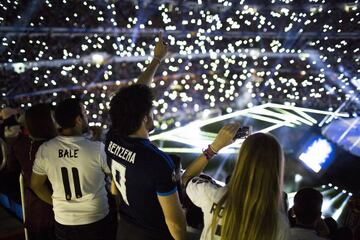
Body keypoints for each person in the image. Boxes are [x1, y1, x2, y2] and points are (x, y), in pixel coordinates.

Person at [106, 32, 187, 240]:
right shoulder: (157, 162)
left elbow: (136, 93)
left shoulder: (112, 139)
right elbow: (174, 223)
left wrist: (156, 59)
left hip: (125, 229)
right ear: (144, 118)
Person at [30, 98, 113, 240]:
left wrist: (56, 202)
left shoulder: (45, 149)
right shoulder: (96, 148)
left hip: (64, 221)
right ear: (78, 120)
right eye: (85, 114)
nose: (86, 117)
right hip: (95, 218)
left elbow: (36, 185)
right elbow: (113, 175)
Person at [184, 131, 289, 240]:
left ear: (242, 160)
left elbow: (187, 177)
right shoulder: (278, 226)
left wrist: (214, 147)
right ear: (277, 168)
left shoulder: (212, 195)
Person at [11, 103, 57, 240]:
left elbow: (11, 169)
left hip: (32, 207)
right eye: (53, 118)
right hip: (52, 209)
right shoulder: (54, 147)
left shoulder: (19, 144)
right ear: (46, 122)